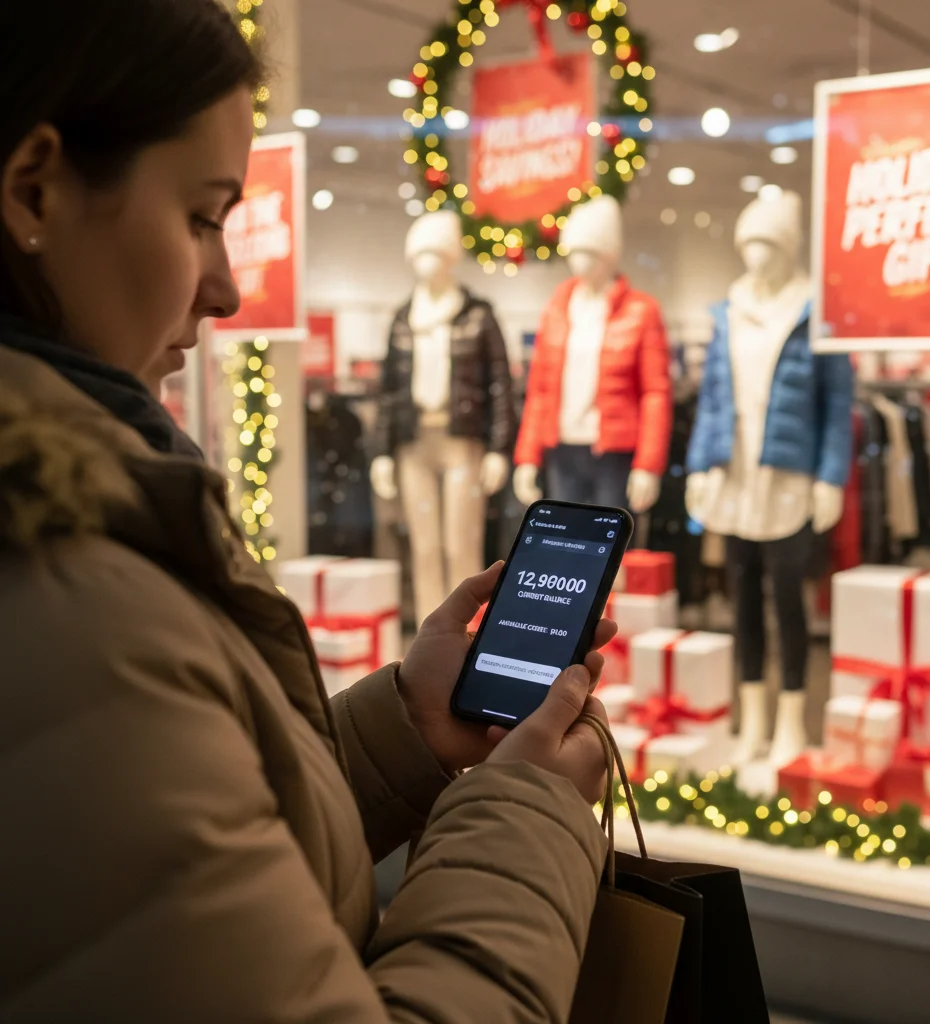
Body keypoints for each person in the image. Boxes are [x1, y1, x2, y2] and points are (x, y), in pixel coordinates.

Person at [0, 2, 613, 1020]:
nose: (229, 288)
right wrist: (529, 814)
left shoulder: (96, 552)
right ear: (34, 190)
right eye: (201, 216)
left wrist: (402, 735)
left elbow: (178, 869)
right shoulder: (72, 599)